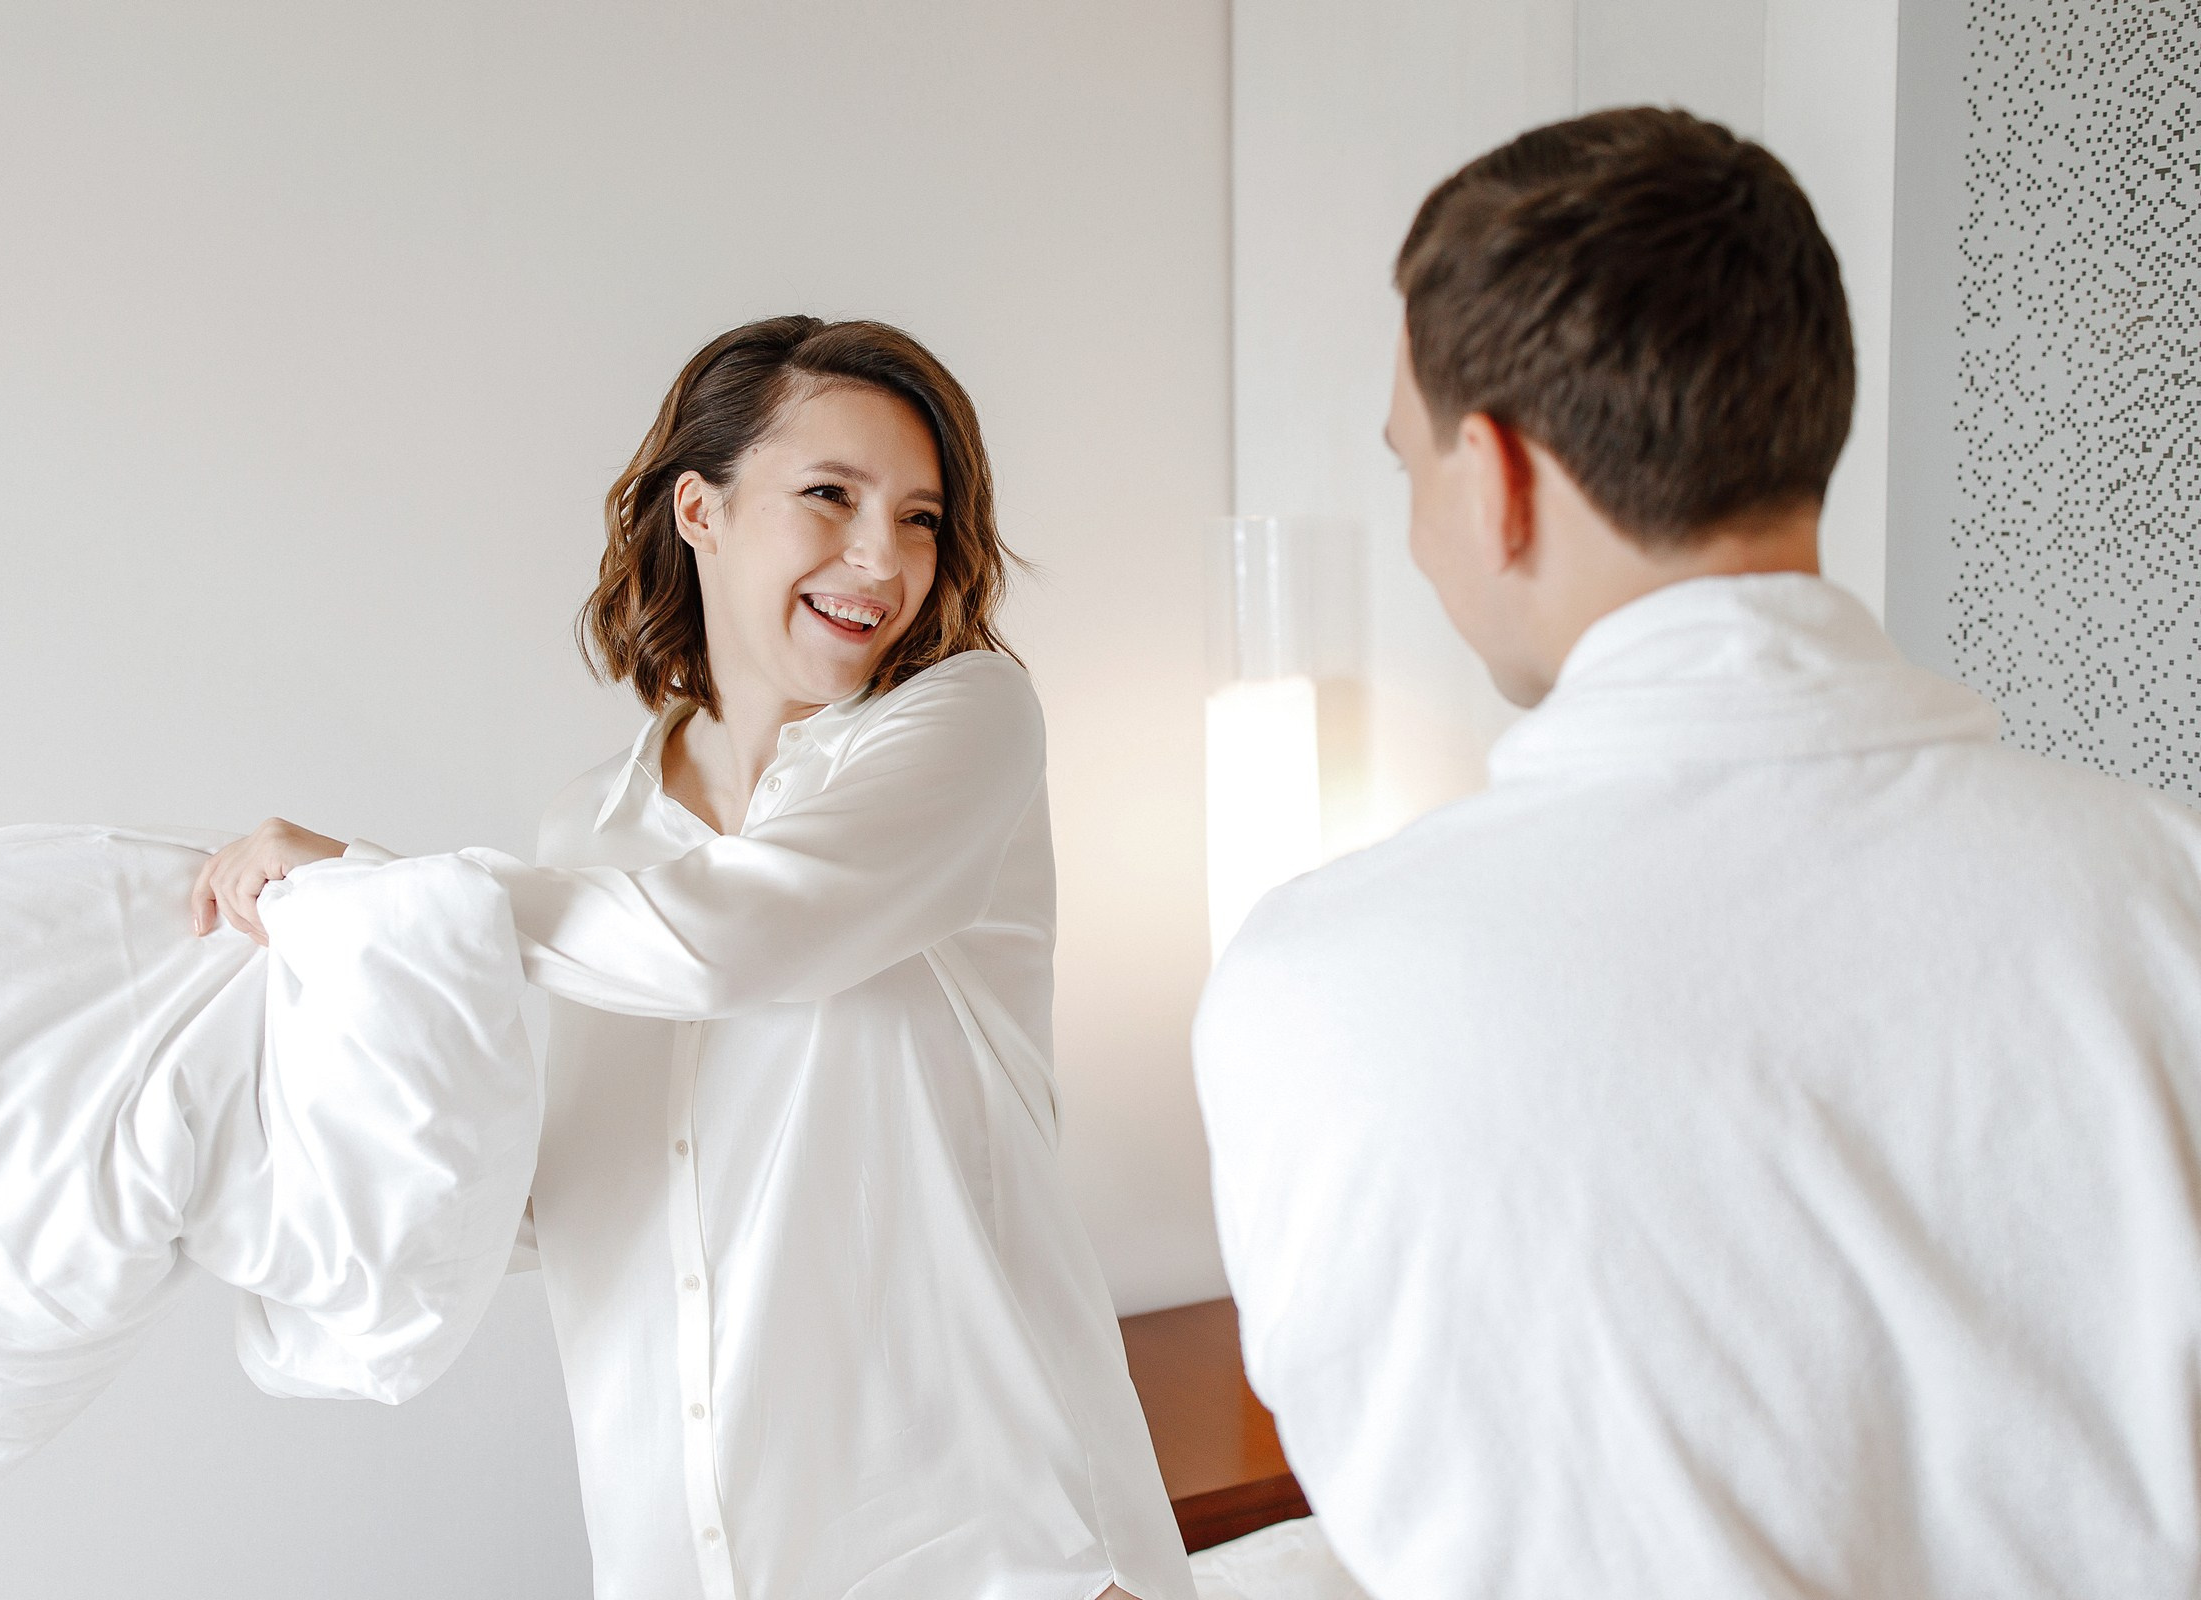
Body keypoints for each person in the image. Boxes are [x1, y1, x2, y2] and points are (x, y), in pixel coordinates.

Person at [1193, 108, 2201, 1599]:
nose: (1419, 533)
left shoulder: (1309, 986)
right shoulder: (2169, 888)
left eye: (1410, 471)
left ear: (1497, 482)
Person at [194, 316, 1191, 1600]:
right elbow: (578, 1184)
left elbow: (735, 936)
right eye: (830, 495)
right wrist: (283, 1102)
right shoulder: (584, 835)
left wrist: (381, 898)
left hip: (998, 1544)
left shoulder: (964, 726)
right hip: (705, 1556)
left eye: (922, 517)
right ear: (699, 509)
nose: (881, 558)